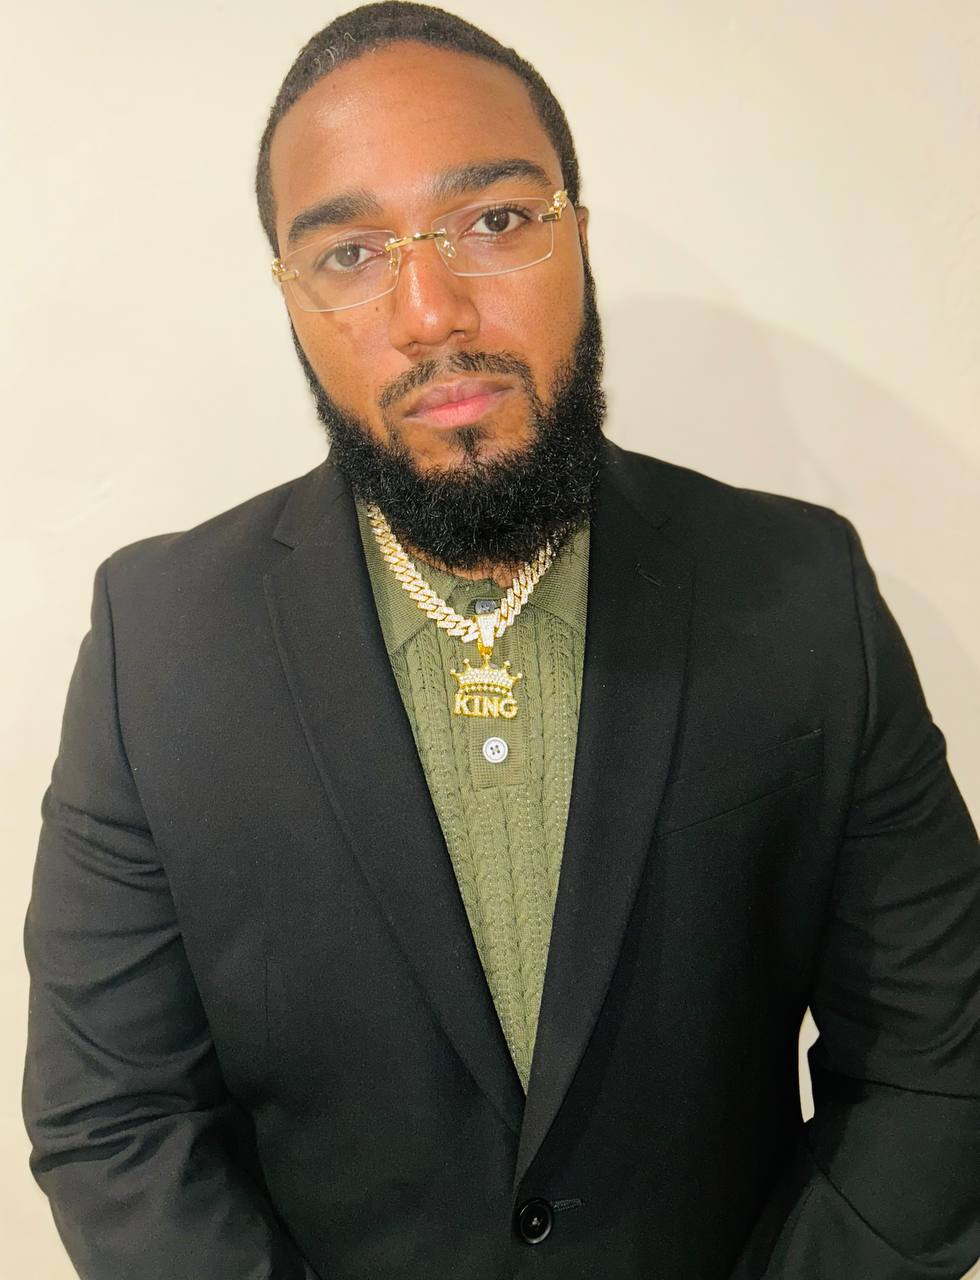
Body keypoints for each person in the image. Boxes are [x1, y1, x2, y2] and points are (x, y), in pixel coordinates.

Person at [22, 4, 979, 1278]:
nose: (431, 311)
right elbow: (114, 1120)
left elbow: (939, 1063)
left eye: (494, 219)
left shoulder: (799, 592)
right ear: (291, 298)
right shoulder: (160, 644)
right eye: (349, 251)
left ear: (576, 233)